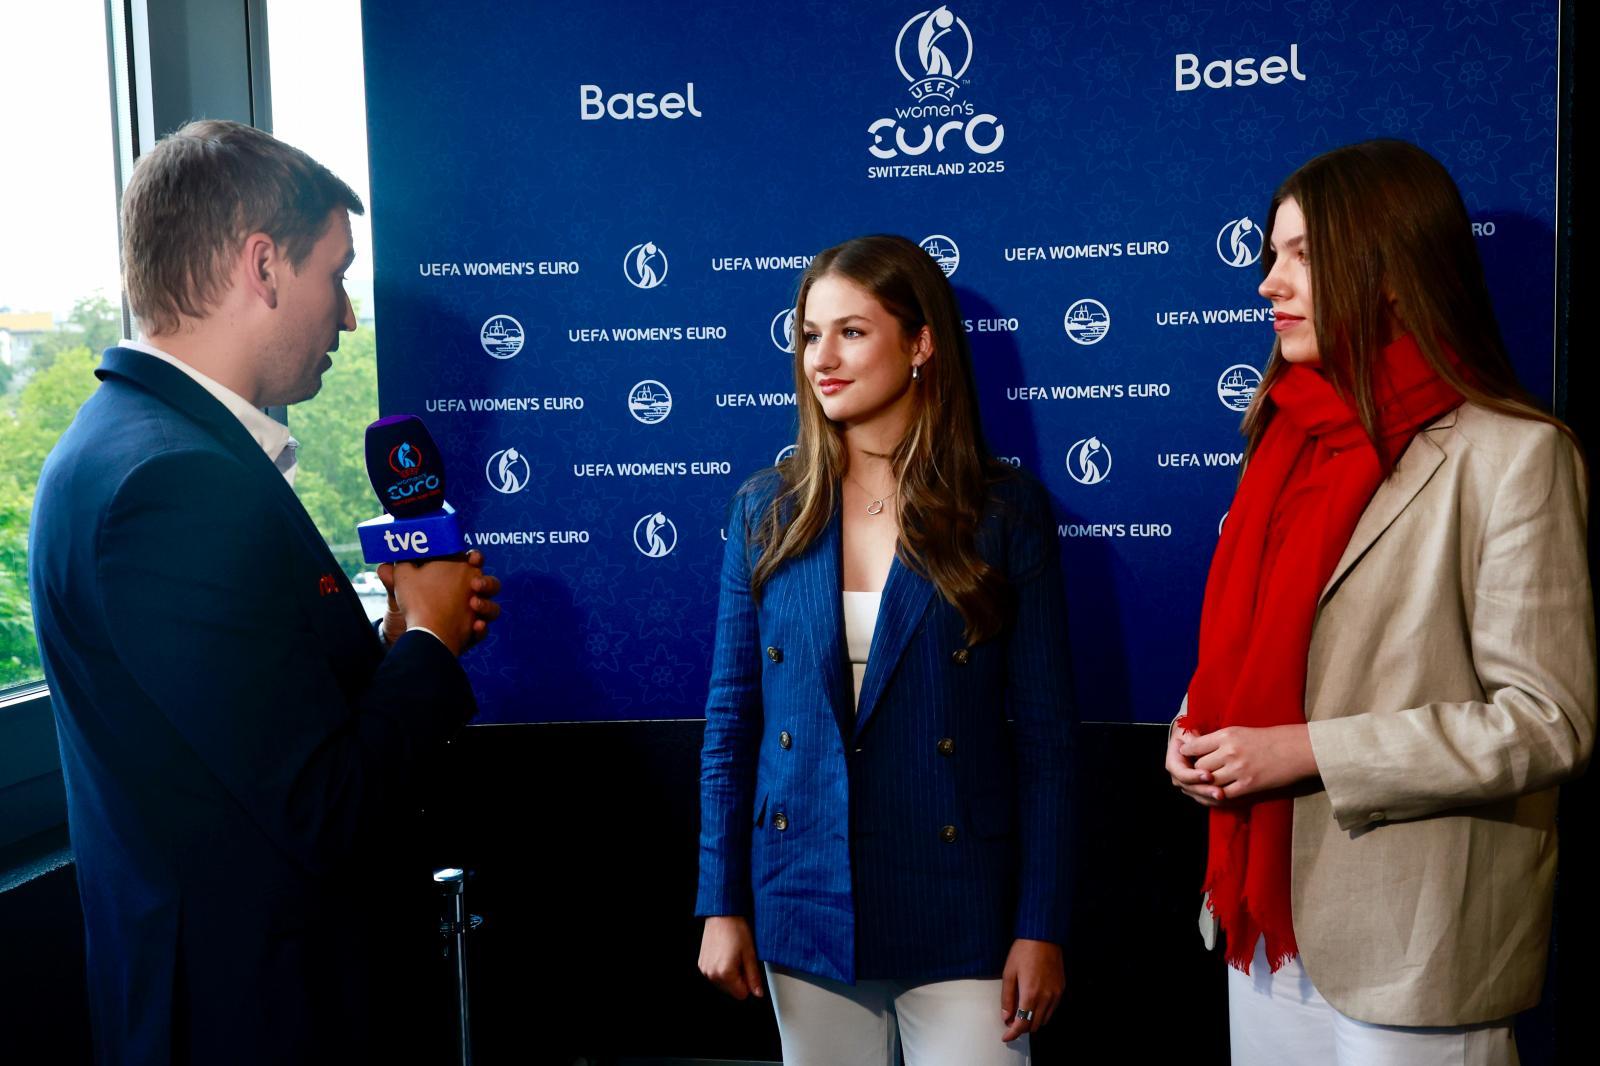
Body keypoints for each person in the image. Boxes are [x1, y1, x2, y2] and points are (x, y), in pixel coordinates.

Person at [28, 120, 501, 1065]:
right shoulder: (171, 483)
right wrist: (429, 645)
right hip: (264, 1021)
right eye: (337, 274)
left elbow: (248, 738)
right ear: (263, 265)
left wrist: (397, 640)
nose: (349, 317)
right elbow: (327, 808)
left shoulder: (130, 444)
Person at [1164, 139, 1594, 1064]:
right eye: (1272, 255)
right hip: (1262, 926)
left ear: (1392, 270)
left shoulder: (1513, 455)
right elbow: (1258, 647)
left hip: (1417, 942)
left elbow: (1547, 723)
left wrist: (1308, 751)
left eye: (1304, 255)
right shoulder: (1283, 440)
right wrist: (1195, 727)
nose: (1269, 283)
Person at [696, 234, 1075, 1065]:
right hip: (805, 897)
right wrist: (720, 902)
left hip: (963, 907)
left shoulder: (1004, 512)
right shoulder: (766, 509)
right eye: (810, 334)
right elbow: (732, 724)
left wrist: (1040, 924)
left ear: (921, 343)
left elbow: (1048, 743)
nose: (821, 358)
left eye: (852, 332)